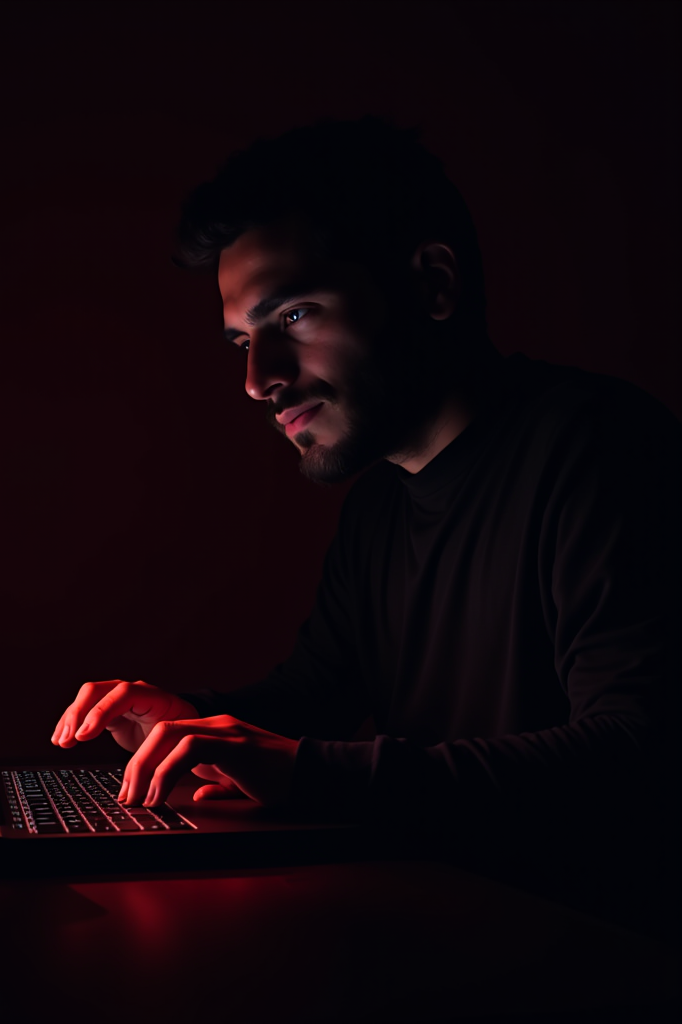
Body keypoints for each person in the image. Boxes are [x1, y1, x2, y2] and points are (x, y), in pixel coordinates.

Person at [50, 118, 681, 938]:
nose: (258, 380)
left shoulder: (602, 448)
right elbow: (316, 701)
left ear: (433, 285)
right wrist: (187, 720)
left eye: (296, 316)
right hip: (442, 934)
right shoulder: (379, 503)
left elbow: (636, 758)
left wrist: (304, 771)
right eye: (243, 341)